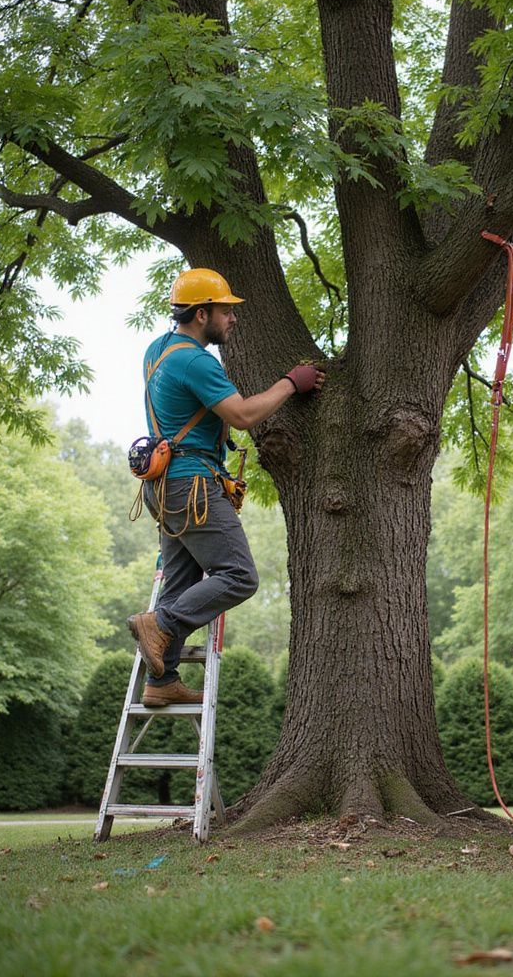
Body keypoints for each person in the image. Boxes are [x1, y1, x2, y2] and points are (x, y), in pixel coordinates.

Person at [128, 267, 324, 706]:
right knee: (239, 576)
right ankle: (159, 625)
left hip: (164, 487)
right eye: (225, 310)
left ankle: (161, 682)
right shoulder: (196, 360)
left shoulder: (157, 350)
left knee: (180, 582)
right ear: (201, 314)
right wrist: (293, 383)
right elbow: (244, 415)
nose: (233, 317)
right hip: (190, 485)